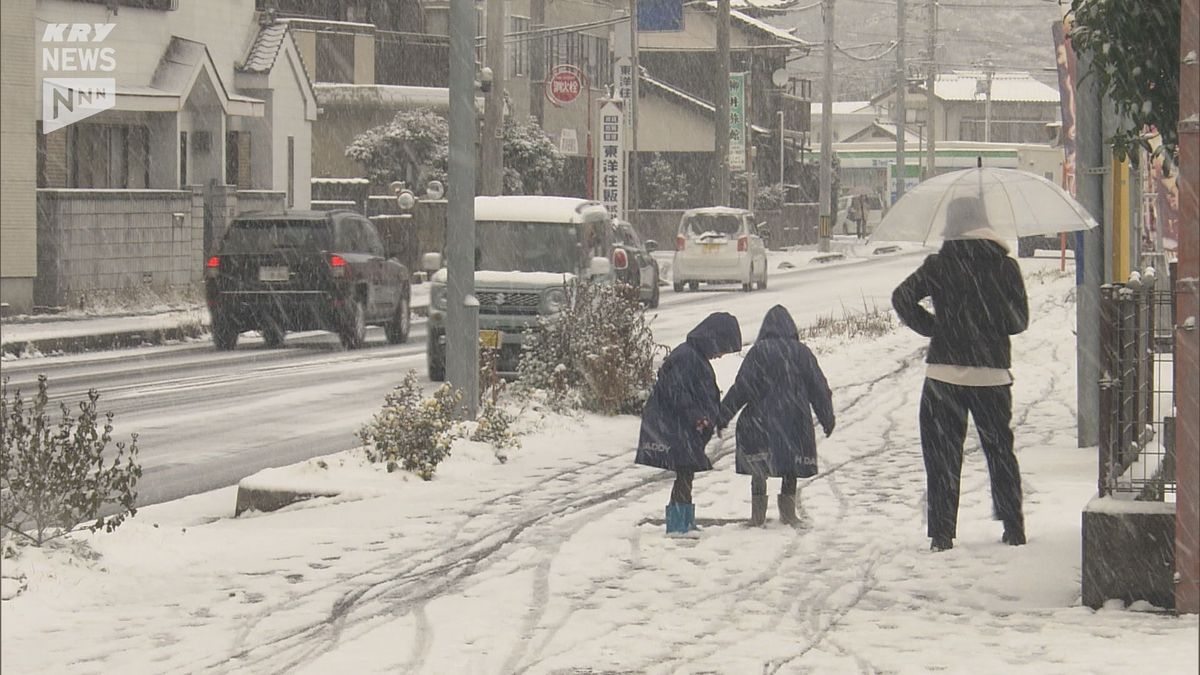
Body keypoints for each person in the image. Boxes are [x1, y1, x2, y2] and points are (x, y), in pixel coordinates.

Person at [891, 196, 1030, 552]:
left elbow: (902, 297)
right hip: (992, 377)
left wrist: (934, 327)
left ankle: (942, 533)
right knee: (1000, 452)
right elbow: (1019, 321)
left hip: (944, 376)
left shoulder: (939, 265)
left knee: (942, 455)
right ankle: (1013, 527)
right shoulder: (1005, 267)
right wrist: (989, 324)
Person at [718, 305, 835, 527]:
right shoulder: (802, 353)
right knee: (789, 466)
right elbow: (819, 388)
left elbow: (741, 388)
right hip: (794, 421)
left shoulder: (758, 352)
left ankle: (757, 516)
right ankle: (789, 515)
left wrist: (723, 415)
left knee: (759, 466)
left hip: (759, 420)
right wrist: (827, 417)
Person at [636, 312, 742, 535]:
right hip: (675, 425)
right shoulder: (687, 357)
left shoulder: (692, 355)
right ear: (714, 340)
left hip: (679, 424)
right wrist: (696, 415)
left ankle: (682, 520)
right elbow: (676, 390)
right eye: (723, 349)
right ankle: (679, 523)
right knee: (686, 470)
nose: (721, 355)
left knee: (687, 472)